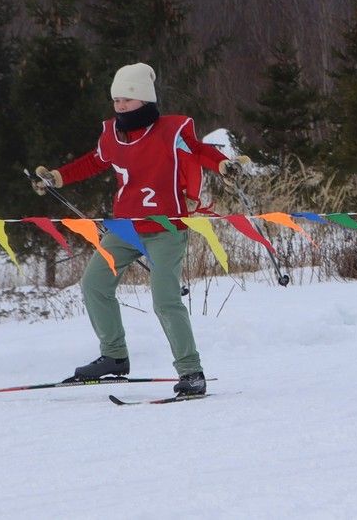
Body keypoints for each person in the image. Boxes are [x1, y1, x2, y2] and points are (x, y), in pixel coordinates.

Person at [32, 62, 249, 396]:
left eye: (127, 100)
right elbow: (94, 161)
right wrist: (57, 177)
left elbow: (202, 151)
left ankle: (191, 372)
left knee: (164, 299)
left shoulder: (172, 130)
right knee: (94, 284)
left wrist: (223, 165)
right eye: (116, 99)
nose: (120, 106)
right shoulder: (112, 134)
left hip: (166, 228)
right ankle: (114, 357)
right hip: (125, 228)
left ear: (145, 101)